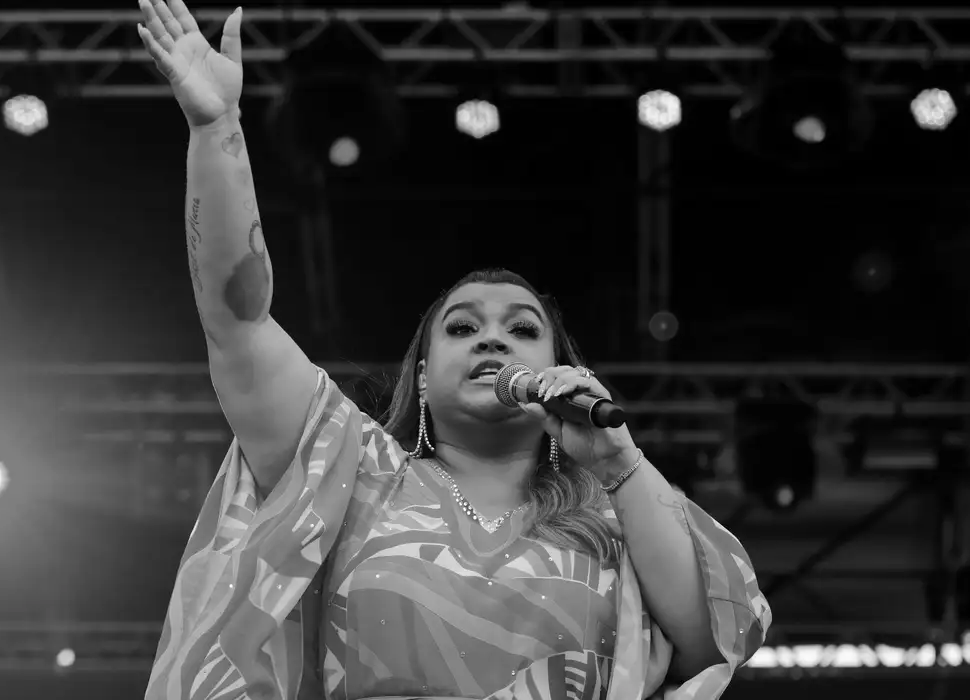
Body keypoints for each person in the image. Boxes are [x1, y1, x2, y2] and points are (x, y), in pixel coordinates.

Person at [135, 2, 771, 699]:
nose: (493, 336)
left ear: (559, 369)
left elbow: (711, 644)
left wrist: (621, 467)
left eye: (523, 329)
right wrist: (217, 130)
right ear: (421, 378)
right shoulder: (350, 470)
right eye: (462, 328)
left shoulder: (617, 516)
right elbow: (239, 323)